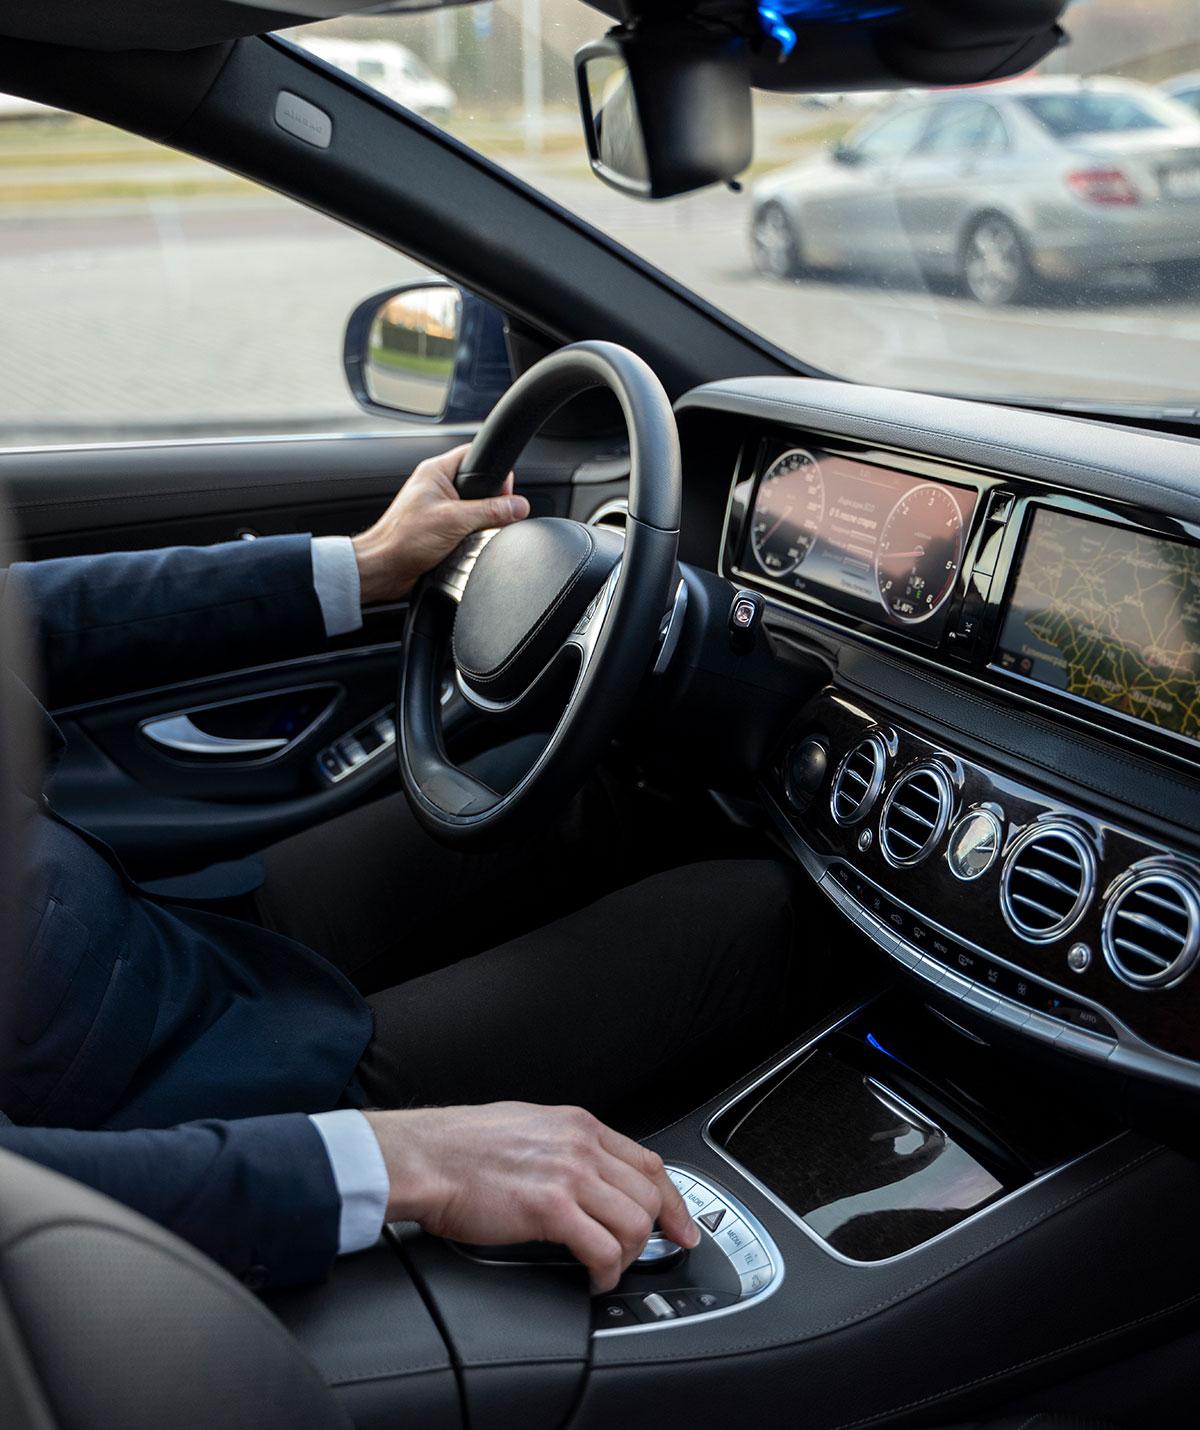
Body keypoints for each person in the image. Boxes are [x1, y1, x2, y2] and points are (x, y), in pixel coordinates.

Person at [0, 446, 793, 1290]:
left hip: (152, 937)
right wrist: (404, 1162)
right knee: (763, 912)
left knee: (586, 792)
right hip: (169, 1113)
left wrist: (369, 563)